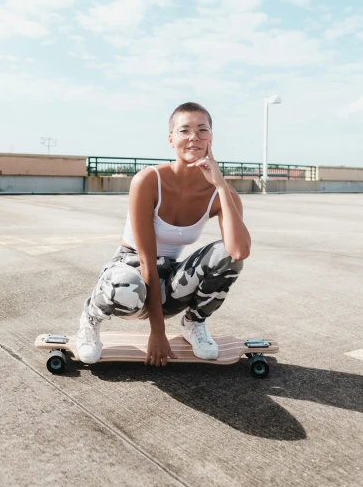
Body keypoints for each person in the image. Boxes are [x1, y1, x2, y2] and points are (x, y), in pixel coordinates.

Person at [77, 102, 251, 366]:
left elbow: (239, 252)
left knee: (226, 252)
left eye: (202, 130)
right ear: (171, 139)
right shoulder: (148, 180)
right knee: (125, 284)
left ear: (211, 138)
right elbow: (147, 261)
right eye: (185, 130)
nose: (194, 137)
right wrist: (157, 333)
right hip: (131, 272)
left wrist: (221, 185)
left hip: (170, 278)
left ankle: (193, 323)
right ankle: (91, 316)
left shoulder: (220, 192)